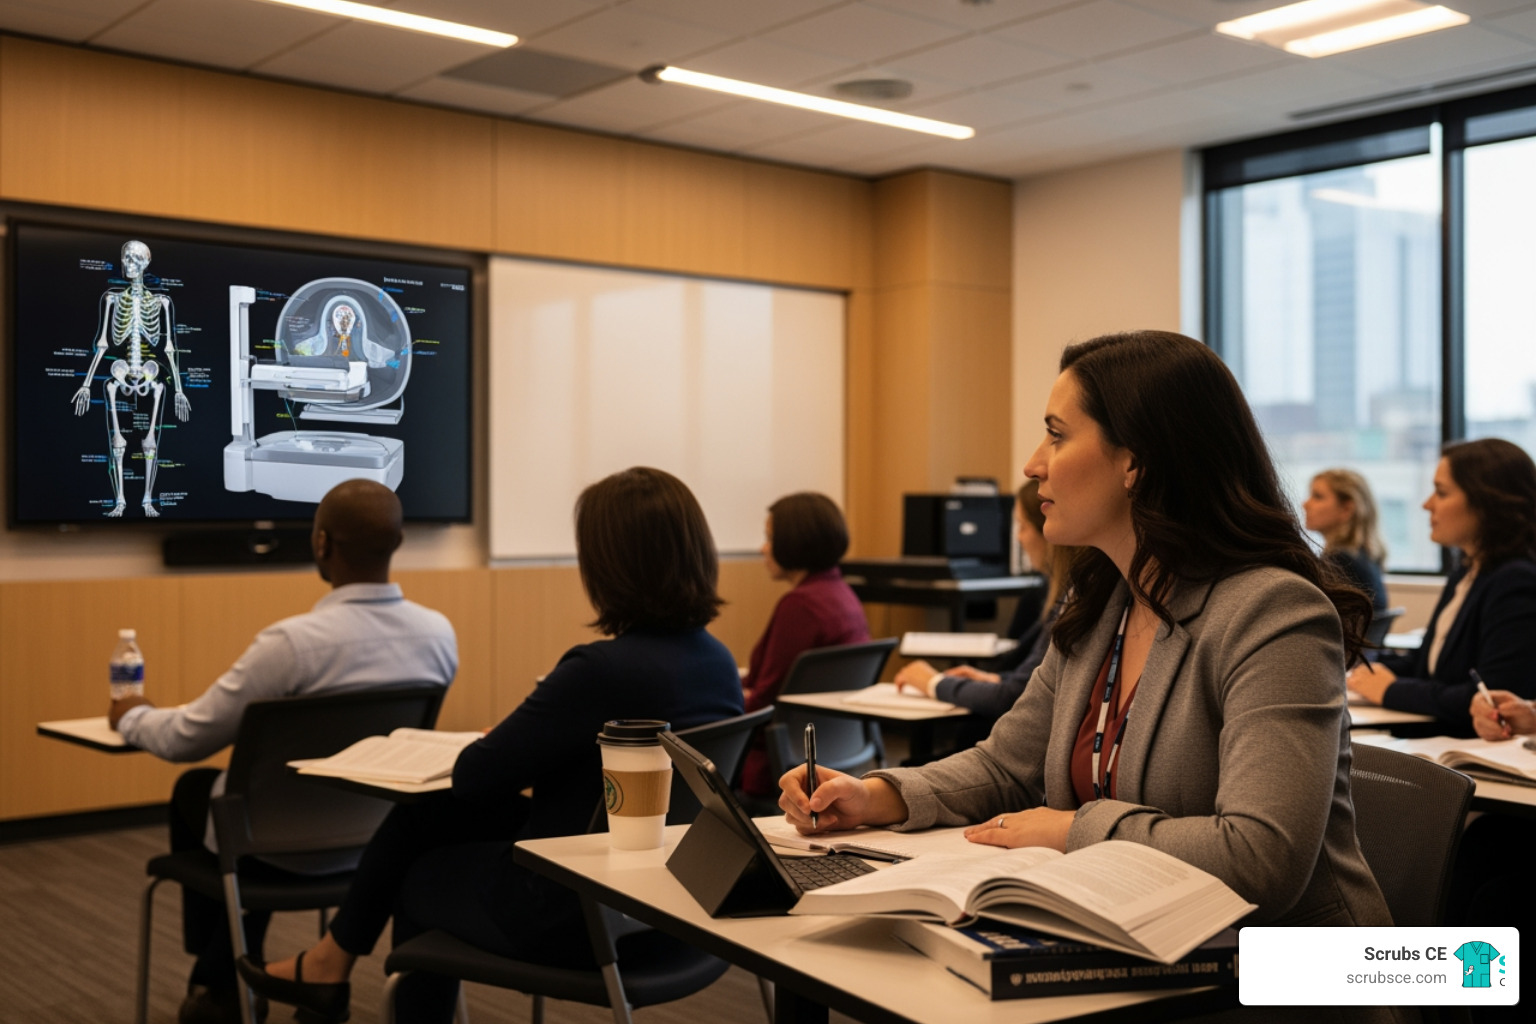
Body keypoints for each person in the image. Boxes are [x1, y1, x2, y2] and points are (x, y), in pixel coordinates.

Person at [782, 332, 1399, 997]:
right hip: (1137, 957)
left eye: (1055, 436)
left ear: (1134, 462)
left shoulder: (1271, 612)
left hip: (1284, 986)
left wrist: (1074, 830)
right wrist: (878, 795)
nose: (1031, 465)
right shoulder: (1104, 601)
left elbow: (1260, 858)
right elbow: (1006, 763)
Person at [237, 467, 743, 1024]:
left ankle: (331, 971)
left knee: (418, 869)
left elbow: (478, 776)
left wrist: (514, 734)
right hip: (672, 908)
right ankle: (326, 968)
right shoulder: (716, 661)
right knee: (426, 820)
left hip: (576, 914)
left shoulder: (599, 671)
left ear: (608, 565)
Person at [109, 478, 459, 1024]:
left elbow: (186, 739)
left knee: (196, 790)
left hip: (269, 849)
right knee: (212, 799)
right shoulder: (439, 635)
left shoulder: (292, 644)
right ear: (398, 542)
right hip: (375, 844)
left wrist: (131, 715)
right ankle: (227, 979)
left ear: (321, 543)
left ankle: (219, 984)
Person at [1347, 438, 1536, 735]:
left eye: (1441, 492)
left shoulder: (1517, 580)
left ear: (1486, 502)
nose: (1427, 504)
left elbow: (1491, 698)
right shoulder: (1466, 571)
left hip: (1465, 750)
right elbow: (1428, 666)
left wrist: (1391, 690)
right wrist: (1366, 670)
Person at [893, 480, 1073, 730]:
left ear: (1047, 530)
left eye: (1022, 526)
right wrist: (995, 678)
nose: (1019, 538)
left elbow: (1013, 696)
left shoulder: (1071, 600)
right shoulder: (1062, 595)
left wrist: (933, 682)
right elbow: (1031, 681)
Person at [737, 491, 869, 797]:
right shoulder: (842, 595)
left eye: (770, 538)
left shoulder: (801, 606)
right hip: (838, 750)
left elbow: (765, 701)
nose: (763, 549)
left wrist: (717, 703)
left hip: (781, 760)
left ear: (794, 542)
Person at [1303, 468, 1388, 611]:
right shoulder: (1362, 556)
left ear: (1346, 509)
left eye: (1317, 497)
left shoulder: (1340, 562)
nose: (1305, 504)